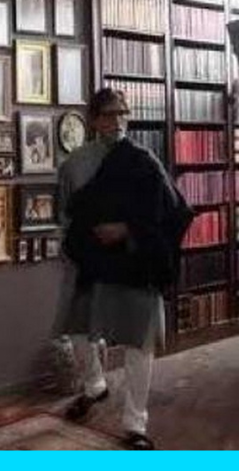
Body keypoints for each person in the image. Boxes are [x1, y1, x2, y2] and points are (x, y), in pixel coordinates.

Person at [58, 88, 194, 450]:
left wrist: (128, 229)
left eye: (122, 113)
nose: (116, 121)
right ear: (93, 119)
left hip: (136, 262)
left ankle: (135, 423)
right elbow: (68, 215)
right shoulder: (75, 164)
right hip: (93, 262)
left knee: (139, 340)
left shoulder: (144, 159)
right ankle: (94, 386)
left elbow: (175, 211)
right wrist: (76, 248)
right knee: (77, 332)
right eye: (107, 114)